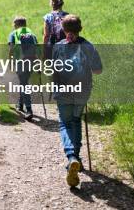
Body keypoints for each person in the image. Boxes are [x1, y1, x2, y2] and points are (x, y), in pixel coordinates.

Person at [51, 15, 102, 188]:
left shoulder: (58, 46)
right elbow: (98, 71)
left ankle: (72, 156)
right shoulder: (88, 46)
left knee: (65, 123)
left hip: (63, 91)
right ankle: (77, 157)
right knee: (75, 121)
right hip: (82, 91)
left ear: (64, 30)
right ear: (80, 28)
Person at [8, 16, 38, 120]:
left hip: (20, 62)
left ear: (16, 25)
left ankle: (29, 110)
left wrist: (10, 61)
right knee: (23, 82)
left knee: (24, 84)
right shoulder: (32, 35)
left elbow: (11, 49)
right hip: (31, 61)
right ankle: (20, 105)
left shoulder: (14, 34)